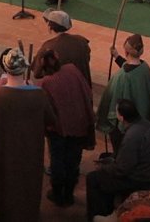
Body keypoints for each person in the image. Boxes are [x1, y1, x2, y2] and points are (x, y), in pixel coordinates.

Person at [0, 49, 56, 222]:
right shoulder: (39, 94)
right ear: (24, 69)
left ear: (6, 68)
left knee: (1, 182)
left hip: (3, 148)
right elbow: (50, 120)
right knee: (26, 184)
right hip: (29, 149)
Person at [85, 99, 150, 221]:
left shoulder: (132, 135)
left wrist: (103, 168)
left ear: (121, 117)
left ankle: (99, 214)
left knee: (93, 178)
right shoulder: (145, 124)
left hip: (144, 180)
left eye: (116, 112)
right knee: (105, 158)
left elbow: (122, 169)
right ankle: (108, 209)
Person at [39, 50, 96, 208]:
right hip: (79, 123)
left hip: (59, 128)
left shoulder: (46, 82)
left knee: (58, 160)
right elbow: (87, 92)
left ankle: (58, 194)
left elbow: (45, 109)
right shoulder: (72, 69)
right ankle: (69, 194)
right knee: (73, 159)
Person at [96, 34, 150, 153]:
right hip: (141, 124)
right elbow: (129, 66)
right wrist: (116, 56)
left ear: (126, 52)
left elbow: (112, 98)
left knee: (122, 153)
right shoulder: (145, 68)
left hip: (125, 129)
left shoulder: (122, 76)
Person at [32, 8, 92, 86]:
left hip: (63, 90)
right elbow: (87, 59)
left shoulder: (48, 47)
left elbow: (37, 73)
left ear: (49, 27)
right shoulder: (82, 40)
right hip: (84, 88)